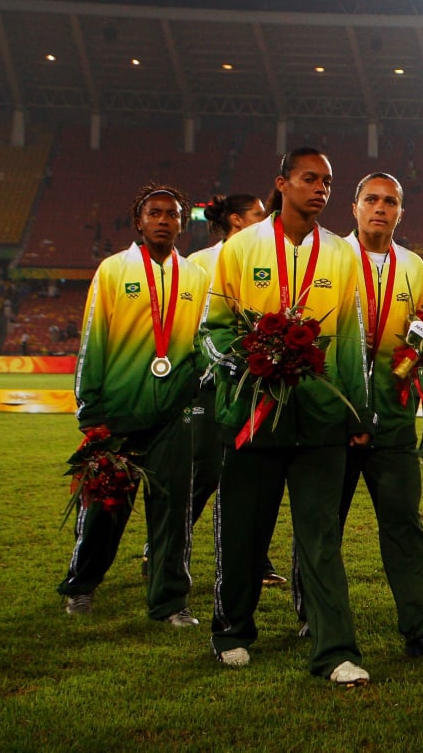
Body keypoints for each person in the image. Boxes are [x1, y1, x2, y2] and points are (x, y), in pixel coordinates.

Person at [202, 147, 372, 686]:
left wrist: (356, 412)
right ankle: (231, 630)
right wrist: (249, 362)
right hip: (254, 414)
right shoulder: (241, 247)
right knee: (245, 532)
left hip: (320, 419)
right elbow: (213, 329)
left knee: (321, 538)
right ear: (282, 182)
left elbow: (351, 340)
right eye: (309, 179)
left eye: (327, 181)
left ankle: (335, 650)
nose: (320, 188)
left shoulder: (342, 255)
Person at [58, 184, 209, 627]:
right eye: (154, 213)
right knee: (105, 506)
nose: (164, 220)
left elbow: (202, 345)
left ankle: (169, 602)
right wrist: (91, 410)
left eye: (172, 214)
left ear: (182, 223)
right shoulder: (112, 270)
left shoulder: (196, 277)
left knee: (172, 511)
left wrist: (199, 385)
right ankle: (81, 586)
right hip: (119, 414)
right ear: (138, 221)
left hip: (175, 415)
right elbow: (93, 341)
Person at [324, 172, 423, 656]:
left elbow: (422, 339)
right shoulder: (330, 258)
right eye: (371, 199)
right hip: (335, 422)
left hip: (395, 421)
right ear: (354, 207)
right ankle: (311, 614)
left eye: (390, 201)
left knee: (404, 524)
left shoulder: (414, 267)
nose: (380, 208)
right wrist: (344, 413)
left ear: (402, 211)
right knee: (324, 527)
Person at [186, 194, 282, 586]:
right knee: (206, 473)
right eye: (260, 214)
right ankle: (168, 544)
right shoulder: (200, 262)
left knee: (256, 478)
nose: (268, 220)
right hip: (211, 386)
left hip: (257, 384)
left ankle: (256, 560)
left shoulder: (269, 257)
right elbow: (196, 325)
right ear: (238, 221)